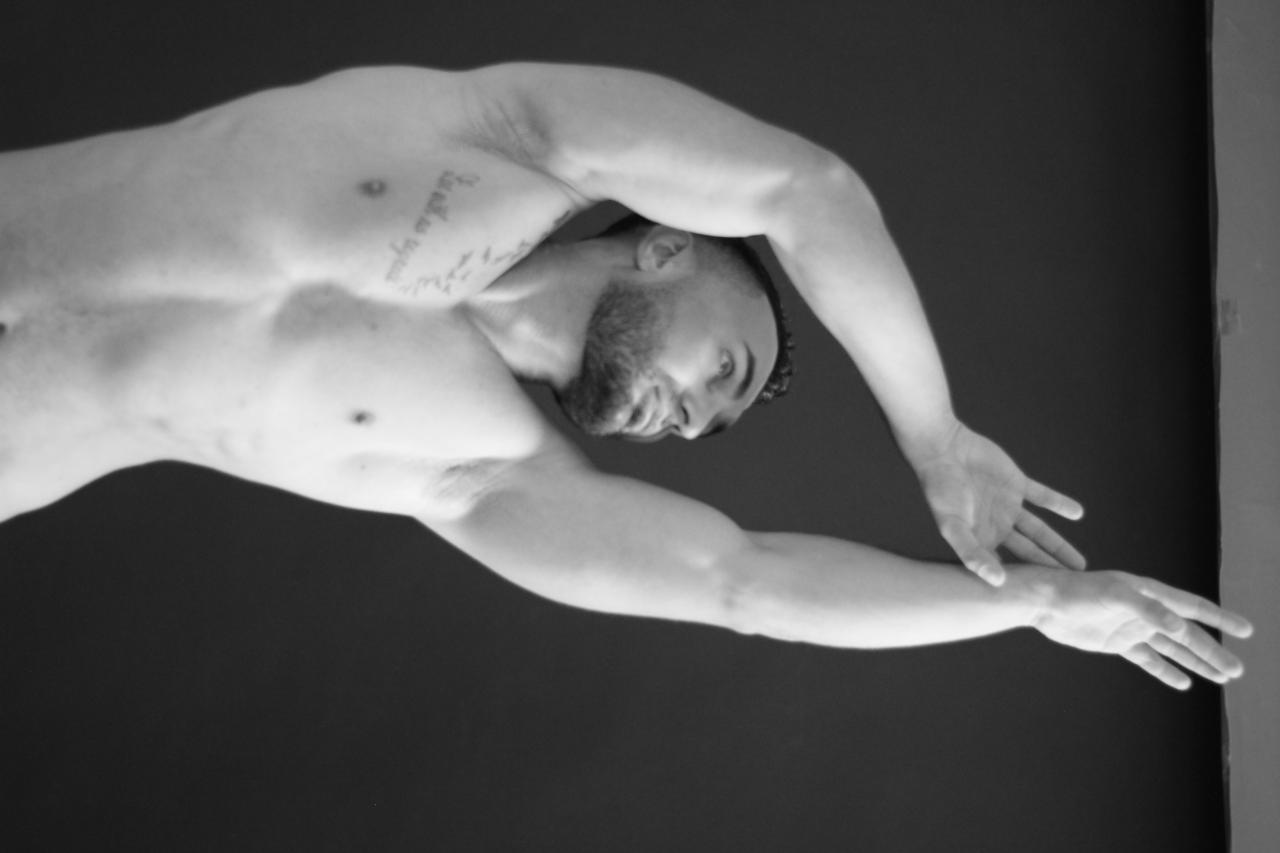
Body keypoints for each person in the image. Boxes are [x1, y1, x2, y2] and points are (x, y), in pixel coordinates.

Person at [0, 63, 1251, 689]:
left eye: (709, 424)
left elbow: (744, 583)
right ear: (667, 242)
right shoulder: (496, 142)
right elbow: (802, 190)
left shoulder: (476, 464)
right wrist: (934, 440)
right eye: (725, 367)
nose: (695, 418)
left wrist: (1028, 604)